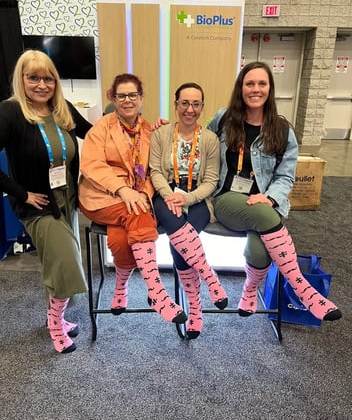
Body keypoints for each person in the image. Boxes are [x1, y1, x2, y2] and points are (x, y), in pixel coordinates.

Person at [207, 61, 342, 322]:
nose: (255, 89)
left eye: (262, 83)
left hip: (265, 204)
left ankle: (249, 290)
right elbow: (197, 143)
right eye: (249, 83)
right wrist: (170, 130)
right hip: (226, 199)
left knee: (258, 253)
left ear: (270, 88)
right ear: (241, 88)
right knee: (265, 217)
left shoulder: (282, 130)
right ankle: (304, 290)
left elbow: (285, 176)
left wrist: (269, 197)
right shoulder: (224, 119)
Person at [0, 50, 92, 354]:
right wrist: (21, 193)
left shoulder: (61, 109)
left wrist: (142, 128)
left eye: (48, 78)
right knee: (66, 263)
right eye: (33, 77)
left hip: (67, 199)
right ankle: (55, 324)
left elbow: (94, 136)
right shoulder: (10, 112)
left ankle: (58, 317)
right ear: (21, 79)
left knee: (55, 261)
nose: (42, 84)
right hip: (38, 205)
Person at [78, 73, 187, 325]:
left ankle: (120, 289)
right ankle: (157, 293)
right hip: (100, 196)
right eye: (121, 95)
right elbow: (91, 165)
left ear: (141, 97)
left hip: (135, 197)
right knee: (139, 215)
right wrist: (122, 189)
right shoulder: (101, 128)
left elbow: (154, 171)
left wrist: (143, 193)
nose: (127, 100)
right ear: (112, 98)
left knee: (121, 237)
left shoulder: (150, 130)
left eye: (133, 95)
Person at [149, 82, 228, 339]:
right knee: (180, 234)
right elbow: (156, 171)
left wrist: (188, 198)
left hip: (197, 200)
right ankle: (207, 281)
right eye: (184, 103)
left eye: (195, 104)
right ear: (176, 105)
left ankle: (194, 308)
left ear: (202, 107)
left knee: (182, 241)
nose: (189, 109)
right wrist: (169, 195)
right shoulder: (161, 134)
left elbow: (212, 180)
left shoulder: (210, 139)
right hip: (166, 195)